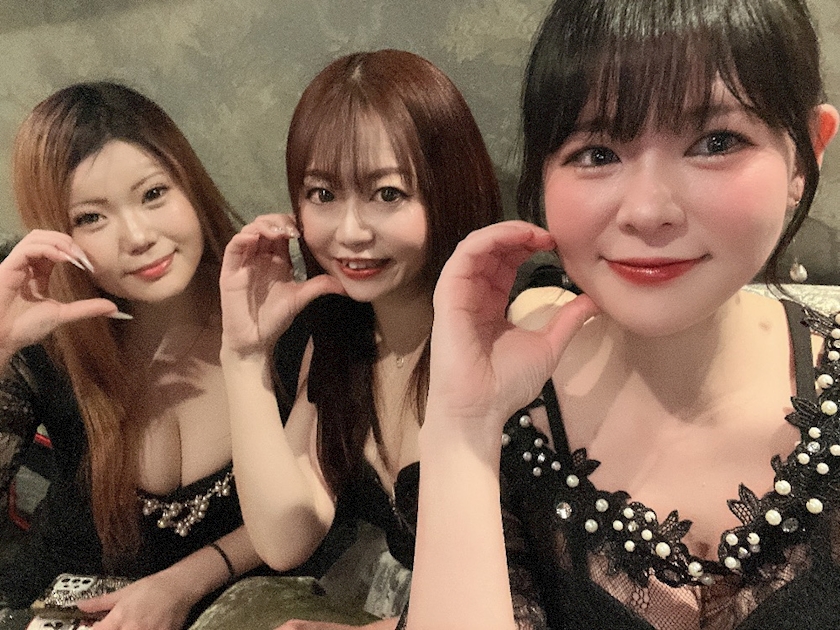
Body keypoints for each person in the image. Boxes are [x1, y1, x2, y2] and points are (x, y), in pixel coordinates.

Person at [405, 0, 840, 628]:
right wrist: (462, 425)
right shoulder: (511, 426)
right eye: (597, 153)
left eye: (716, 142)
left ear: (805, 155)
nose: (646, 211)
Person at [219, 49, 502, 629]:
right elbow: (285, 538)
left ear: (450, 189)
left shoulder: (516, 335)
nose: (349, 232)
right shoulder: (340, 336)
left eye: (388, 193)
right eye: (323, 194)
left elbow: (565, 587)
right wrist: (243, 356)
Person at [0, 82, 281, 630]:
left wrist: (181, 584)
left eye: (153, 194)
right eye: (91, 218)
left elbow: (320, 490)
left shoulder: (271, 309)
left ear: (189, 184)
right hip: (58, 600)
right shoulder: (46, 341)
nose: (137, 236)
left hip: (234, 604)